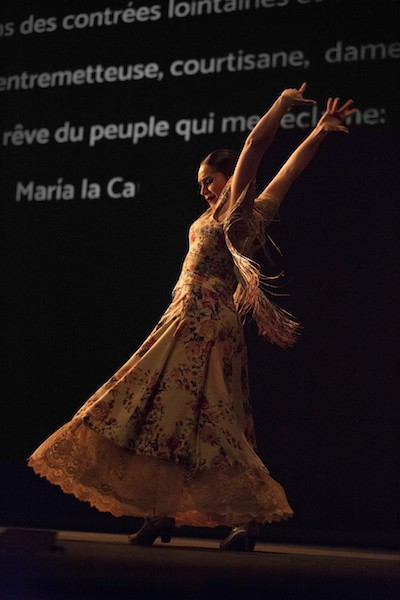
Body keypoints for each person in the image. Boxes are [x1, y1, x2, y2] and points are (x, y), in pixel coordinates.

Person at [28, 86, 355, 551]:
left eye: (209, 180)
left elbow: (256, 149)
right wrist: (320, 132)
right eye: (201, 183)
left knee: (198, 414)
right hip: (194, 317)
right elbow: (288, 173)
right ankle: (165, 514)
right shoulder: (254, 210)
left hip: (200, 321)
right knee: (181, 416)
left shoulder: (238, 209)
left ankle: (243, 519)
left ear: (228, 179)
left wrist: (281, 106)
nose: (203, 189)